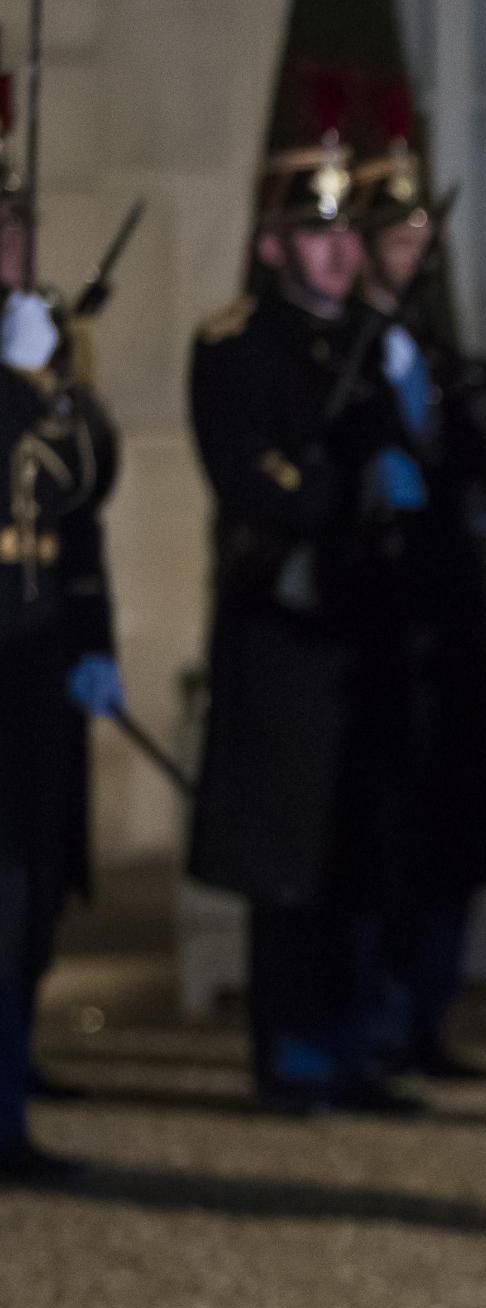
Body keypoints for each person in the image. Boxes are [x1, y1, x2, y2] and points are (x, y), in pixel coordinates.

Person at [187, 103, 430, 1118]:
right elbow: (254, 482)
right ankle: (290, 1049)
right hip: (284, 628)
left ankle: (355, 1041)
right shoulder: (237, 345)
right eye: (316, 235)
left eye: (344, 235)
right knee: (287, 852)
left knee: (361, 846)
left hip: (362, 625)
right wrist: (343, 491)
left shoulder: (374, 345)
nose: (336, 255)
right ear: (273, 244)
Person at [347, 93, 486, 1083]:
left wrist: (484, 426)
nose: (413, 249)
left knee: (452, 833)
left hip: (448, 627)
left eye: (420, 234)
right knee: (382, 837)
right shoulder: (347, 355)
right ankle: (371, 1022)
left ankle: (428, 1014)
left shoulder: (441, 356)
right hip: (380, 625)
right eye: (396, 233)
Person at [0, 164, 123, 1182]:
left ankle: (8, 1093)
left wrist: (96, 643)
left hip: (36, 658)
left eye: (13, 232)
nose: (11, 254)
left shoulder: (36, 356)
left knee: (31, 889)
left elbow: (81, 507)